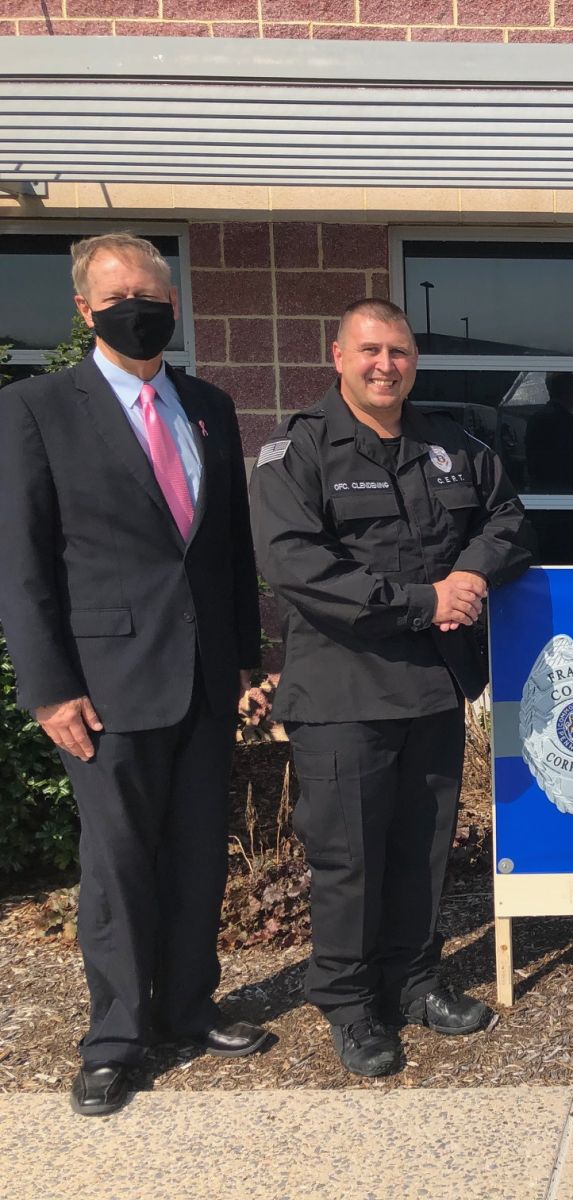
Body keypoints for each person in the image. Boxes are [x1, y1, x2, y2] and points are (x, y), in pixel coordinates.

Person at [0, 233, 270, 1116]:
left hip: (200, 678)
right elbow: (24, 562)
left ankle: (189, 1009)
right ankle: (116, 1037)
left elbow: (228, 548)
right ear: (85, 310)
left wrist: (242, 662)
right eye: (120, 296)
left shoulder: (209, 406)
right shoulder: (39, 409)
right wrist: (47, 689)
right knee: (117, 867)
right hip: (102, 687)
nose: (140, 307)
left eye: (154, 293)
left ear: (175, 303)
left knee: (197, 857)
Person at [249, 299, 536, 1078]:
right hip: (344, 693)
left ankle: (414, 984)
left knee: (423, 851)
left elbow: (508, 516)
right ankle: (349, 1003)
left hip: (434, 689)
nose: (387, 365)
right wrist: (424, 603)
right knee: (350, 859)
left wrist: (473, 569)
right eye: (371, 350)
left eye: (401, 352)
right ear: (336, 355)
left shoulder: (449, 443)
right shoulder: (299, 452)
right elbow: (295, 565)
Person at [522, 370, 573, 563]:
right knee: (563, 558)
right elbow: (568, 461)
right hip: (560, 506)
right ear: (572, 391)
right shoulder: (560, 420)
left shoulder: (539, 418)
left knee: (550, 557)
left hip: (548, 505)